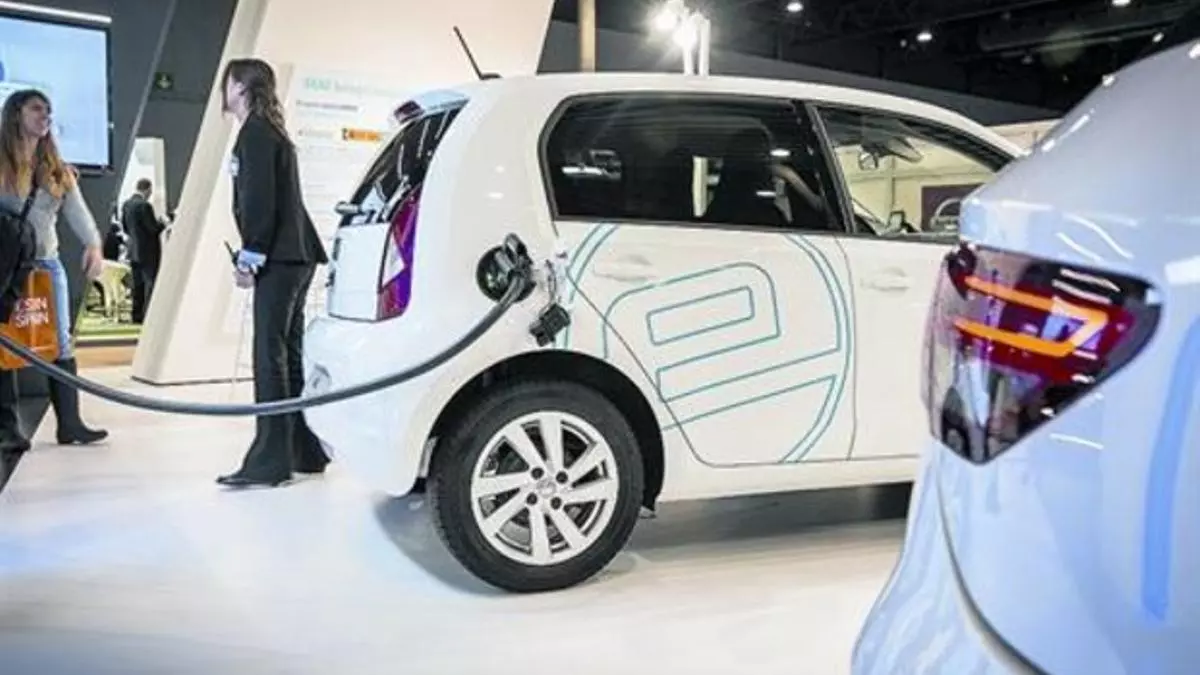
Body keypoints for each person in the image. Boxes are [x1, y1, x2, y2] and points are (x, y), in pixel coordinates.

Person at [216, 58, 330, 488]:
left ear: (239, 87)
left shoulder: (256, 133)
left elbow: (259, 202)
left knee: (270, 355)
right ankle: (303, 450)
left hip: (280, 257)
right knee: (287, 353)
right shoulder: (270, 130)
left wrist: (250, 259)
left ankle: (270, 460)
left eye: (228, 82)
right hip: (296, 255)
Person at [0, 89, 108, 451]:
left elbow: (77, 212)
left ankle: (70, 424)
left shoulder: (56, 169)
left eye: (48, 110)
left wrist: (93, 244)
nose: (45, 116)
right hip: (7, 267)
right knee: (3, 342)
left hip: (46, 264)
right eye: (36, 109)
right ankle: (6, 428)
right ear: (16, 113)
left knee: (60, 342)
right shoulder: (2, 163)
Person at [120, 178, 165, 323]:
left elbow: (125, 227)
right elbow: (153, 229)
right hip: (148, 252)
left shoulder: (126, 205)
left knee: (137, 285)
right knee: (149, 283)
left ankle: (136, 315)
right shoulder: (145, 206)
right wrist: (163, 222)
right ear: (147, 189)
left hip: (133, 251)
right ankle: (148, 315)